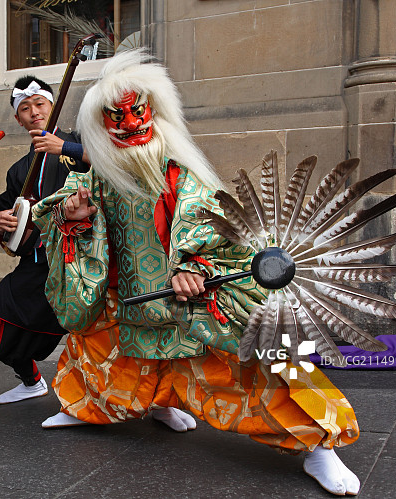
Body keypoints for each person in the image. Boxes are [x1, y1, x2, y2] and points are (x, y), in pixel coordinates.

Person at [32, 50, 361, 496]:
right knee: (100, 358)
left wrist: (194, 265)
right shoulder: (97, 176)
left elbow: (215, 224)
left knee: (255, 373)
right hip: (129, 305)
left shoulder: (183, 173)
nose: (129, 124)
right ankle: (128, 409)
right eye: (116, 116)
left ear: (154, 110)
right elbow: (53, 214)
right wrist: (75, 216)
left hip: (189, 307)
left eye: (137, 111)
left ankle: (319, 444)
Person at [0, 76, 89, 404]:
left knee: (92, 334)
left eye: (40, 104)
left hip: (84, 258)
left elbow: (116, 163)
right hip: (41, 262)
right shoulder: (19, 170)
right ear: (18, 119)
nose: (34, 112)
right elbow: (12, 217)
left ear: (52, 106)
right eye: (25, 108)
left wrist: (66, 148)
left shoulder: (78, 143)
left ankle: (107, 396)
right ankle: (31, 381)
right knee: (4, 313)